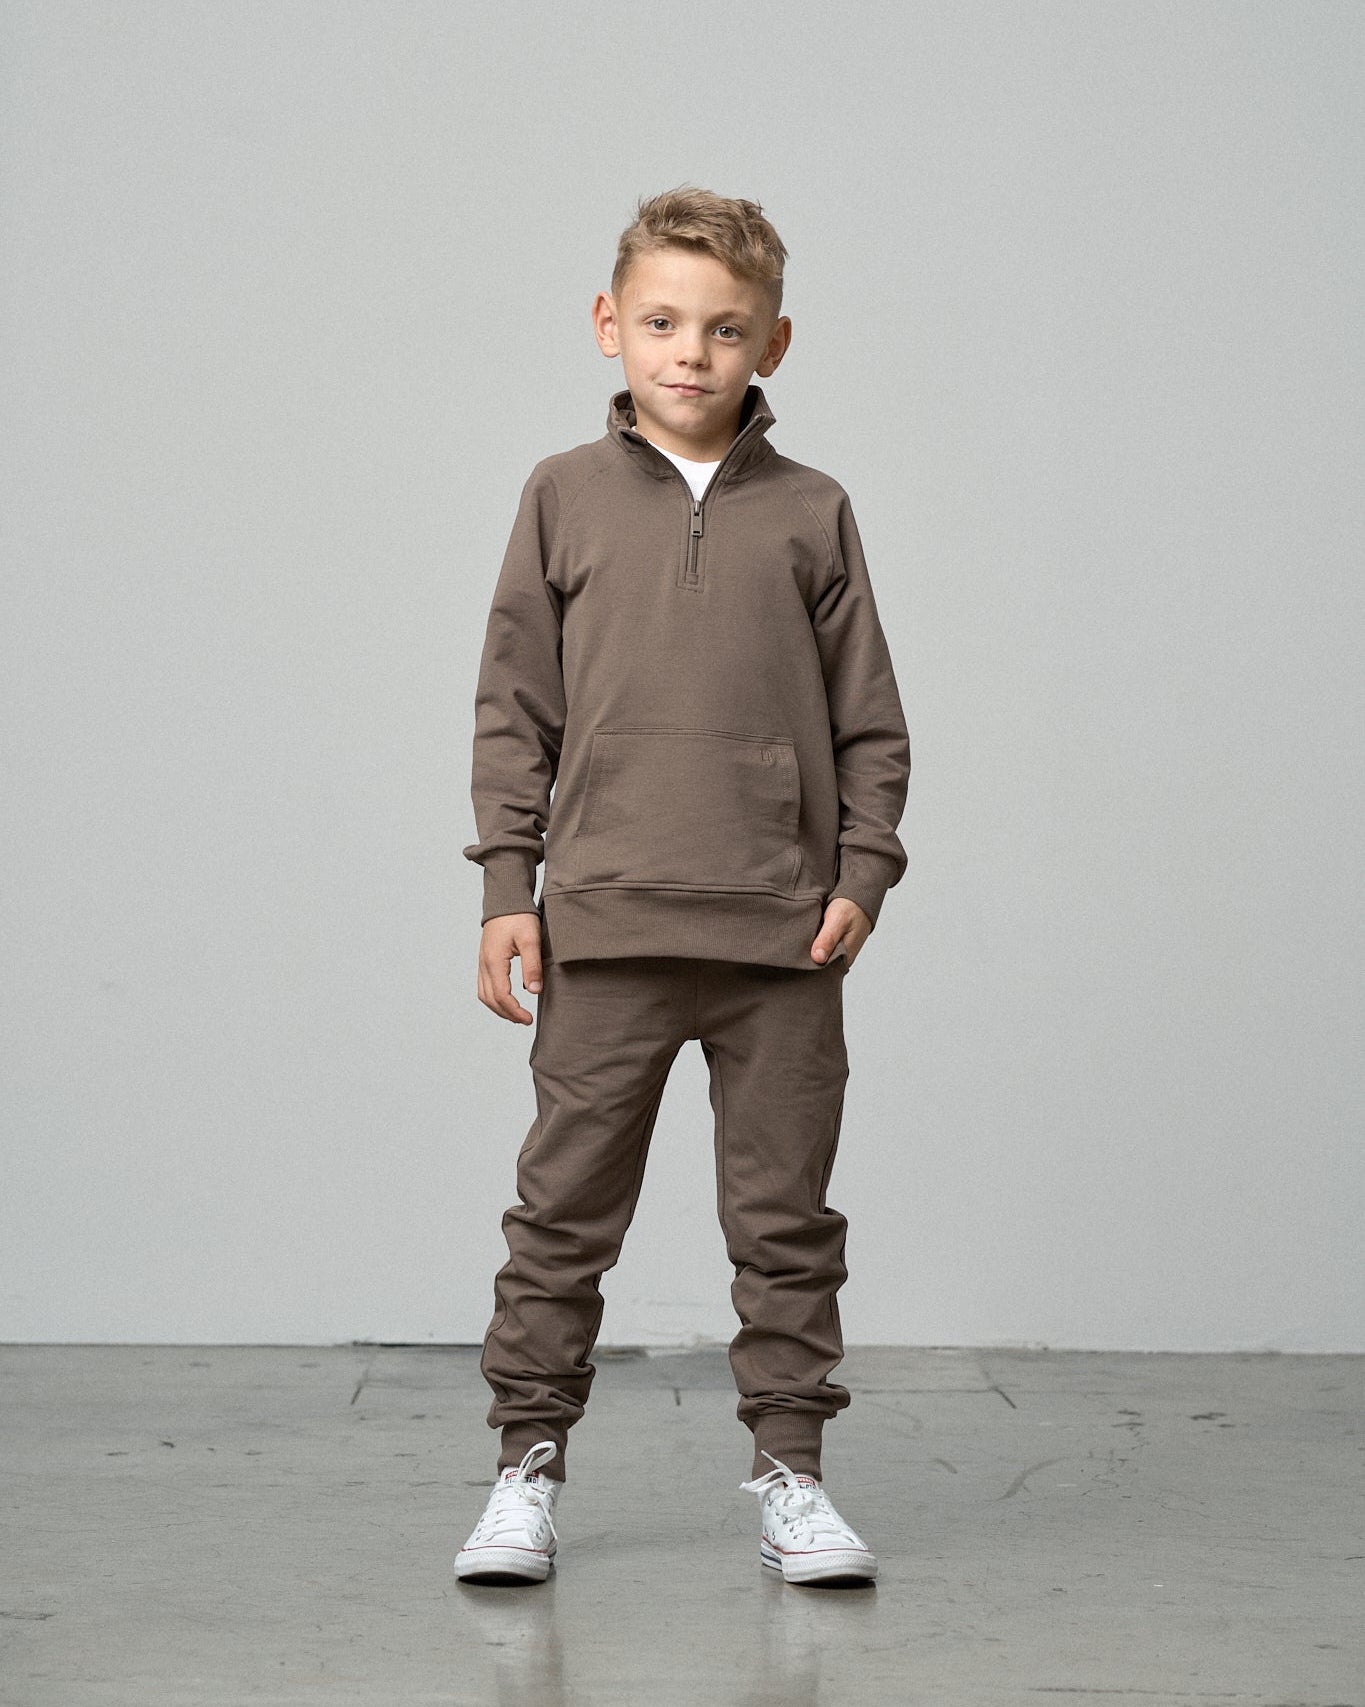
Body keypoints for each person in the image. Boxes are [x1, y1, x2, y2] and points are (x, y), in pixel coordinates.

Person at [454, 185, 911, 1588]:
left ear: (773, 341)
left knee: (786, 1223)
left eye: (723, 328)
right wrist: (509, 884)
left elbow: (871, 723)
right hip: (604, 925)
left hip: (784, 938)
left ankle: (793, 1477)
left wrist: (863, 870)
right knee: (561, 1216)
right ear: (610, 325)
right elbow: (513, 709)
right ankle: (526, 1469)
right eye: (661, 323)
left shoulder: (814, 511)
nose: (691, 353)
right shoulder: (561, 495)